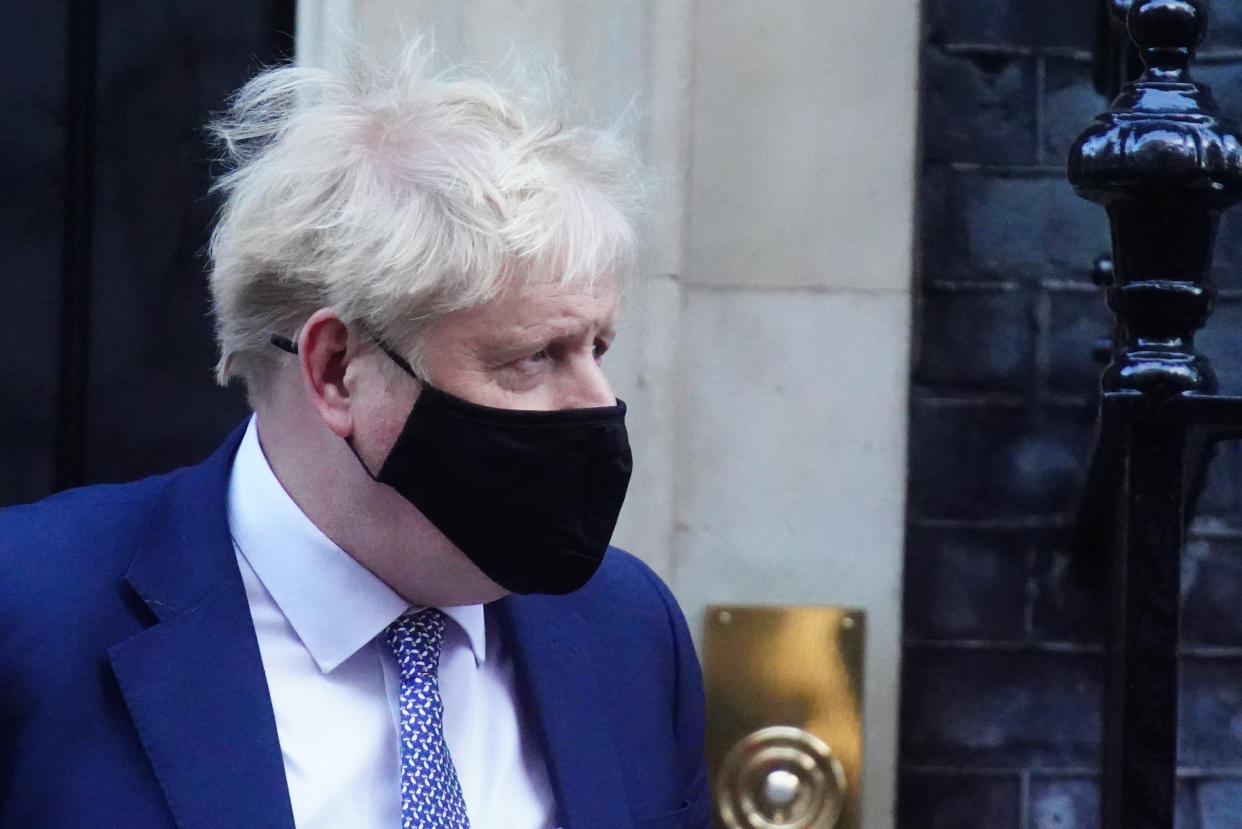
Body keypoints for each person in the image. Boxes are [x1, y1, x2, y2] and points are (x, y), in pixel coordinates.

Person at [0, 49, 709, 828]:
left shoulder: (629, 631)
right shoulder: (30, 611)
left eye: (596, 348)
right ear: (337, 368)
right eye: (535, 356)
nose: (598, 404)